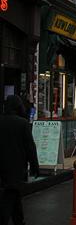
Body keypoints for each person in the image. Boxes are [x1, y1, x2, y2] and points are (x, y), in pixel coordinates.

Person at [0, 95, 39, 225]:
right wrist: (34, 166)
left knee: (14, 194)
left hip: (2, 166)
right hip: (16, 165)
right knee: (11, 194)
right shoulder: (22, 123)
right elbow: (30, 147)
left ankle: (19, 220)